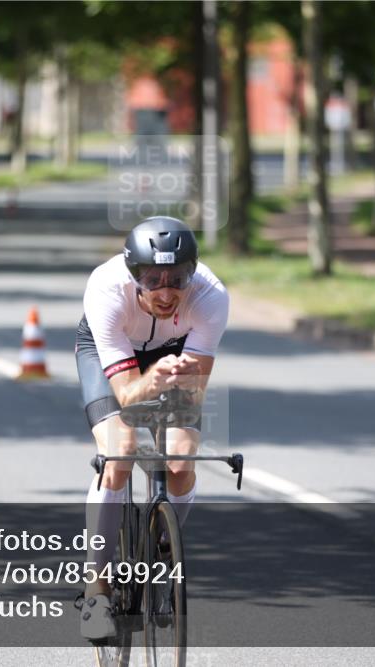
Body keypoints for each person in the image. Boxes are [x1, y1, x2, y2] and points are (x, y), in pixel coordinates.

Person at [73, 216, 229, 639]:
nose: (165, 291)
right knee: (119, 452)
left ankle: (164, 544)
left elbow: (193, 396)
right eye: (152, 279)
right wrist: (152, 378)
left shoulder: (211, 297)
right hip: (112, 356)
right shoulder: (106, 290)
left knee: (181, 463)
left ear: (192, 273)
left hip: (174, 356)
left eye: (176, 279)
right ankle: (97, 589)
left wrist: (172, 383)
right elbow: (126, 395)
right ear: (132, 275)